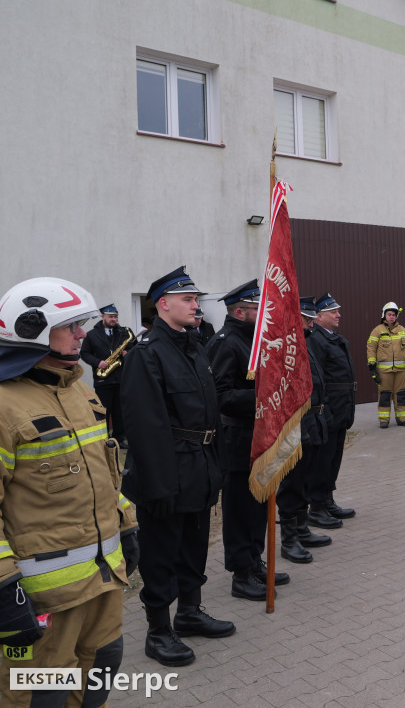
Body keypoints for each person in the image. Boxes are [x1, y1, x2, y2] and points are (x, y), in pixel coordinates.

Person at [0, 277, 139, 707]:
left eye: (83, 323)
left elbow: (103, 473)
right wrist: (5, 588)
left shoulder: (78, 388)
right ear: (32, 329)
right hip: (42, 601)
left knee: (99, 675)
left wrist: (128, 527)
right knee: (38, 695)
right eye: (71, 325)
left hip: (103, 584)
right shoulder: (4, 405)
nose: (83, 333)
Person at [121, 266, 234, 667]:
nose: (195, 305)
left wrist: (215, 469)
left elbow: (209, 416)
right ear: (163, 304)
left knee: (193, 547)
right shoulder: (146, 354)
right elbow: (145, 427)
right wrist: (157, 486)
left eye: (196, 299)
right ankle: (158, 630)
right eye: (187, 299)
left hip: (200, 467)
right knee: (160, 553)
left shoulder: (194, 347)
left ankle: (189, 612)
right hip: (167, 473)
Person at [207, 280, 289, 600]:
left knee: (259, 505)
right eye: (258, 309)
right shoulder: (226, 342)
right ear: (240, 312)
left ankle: (254, 562)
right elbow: (221, 396)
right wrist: (264, 397)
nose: (264, 313)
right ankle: (240, 573)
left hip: (259, 436)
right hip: (238, 439)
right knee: (241, 507)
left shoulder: (252, 341)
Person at [277, 296, 334, 562]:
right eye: (306, 319)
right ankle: (289, 541)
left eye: (312, 320)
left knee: (303, 480)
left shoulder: (304, 342)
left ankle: (301, 529)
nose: (311, 324)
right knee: (292, 483)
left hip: (310, 421)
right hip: (294, 424)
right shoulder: (284, 347)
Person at [306, 293, 357, 528]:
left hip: (341, 407)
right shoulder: (315, 339)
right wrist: (324, 408)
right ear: (318, 316)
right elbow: (318, 378)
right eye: (333, 311)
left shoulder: (333, 337)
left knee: (334, 457)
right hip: (329, 408)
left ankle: (327, 500)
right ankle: (316, 506)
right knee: (323, 460)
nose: (339, 315)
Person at [80, 302, 134, 446]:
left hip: (121, 378)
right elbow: (84, 353)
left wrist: (127, 353)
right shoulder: (91, 335)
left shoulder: (123, 332)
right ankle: (104, 439)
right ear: (103, 316)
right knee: (104, 410)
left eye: (116, 317)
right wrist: (97, 362)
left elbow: (135, 348)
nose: (114, 319)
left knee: (120, 412)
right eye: (111, 316)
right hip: (103, 379)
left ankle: (119, 438)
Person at [367, 302, 405, 428]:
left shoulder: (402, 330)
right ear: (384, 315)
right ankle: (384, 420)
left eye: (394, 315)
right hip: (384, 370)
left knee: (401, 394)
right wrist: (372, 367)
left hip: (401, 370)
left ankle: (402, 418)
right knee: (385, 394)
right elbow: (371, 348)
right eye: (389, 314)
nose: (391, 317)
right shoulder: (377, 331)